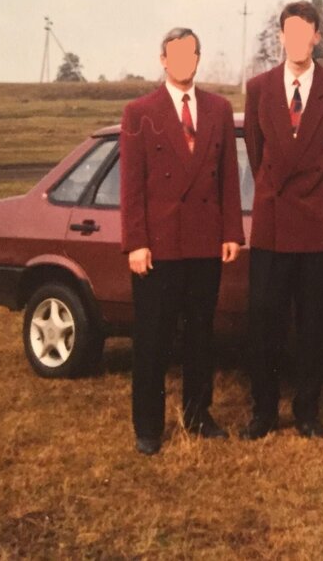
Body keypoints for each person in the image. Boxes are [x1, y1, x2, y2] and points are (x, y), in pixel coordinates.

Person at [119, 27, 244, 455]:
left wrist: (231, 232)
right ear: (163, 60)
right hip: (158, 247)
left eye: (191, 54)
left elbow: (228, 175)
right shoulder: (139, 112)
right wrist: (136, 242)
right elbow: (132, 187)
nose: (184, 62)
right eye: (176, 55)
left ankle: (197, 414)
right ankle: (148, 426)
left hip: (205, 243)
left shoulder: (219, 109)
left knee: (200, 336)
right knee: (152, 338)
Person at [241, 1, 323, 439]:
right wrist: (277, 192)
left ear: (316, 38)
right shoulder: (258, 89)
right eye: (287, 33)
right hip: (271, 225)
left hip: (315, 224)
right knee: (264, 323)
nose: (295, 41)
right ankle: (263, 412)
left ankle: (308, 411)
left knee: (313, 324)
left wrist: (317, 193)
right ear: (281, 38)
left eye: (303, 33)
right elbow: (257, 155)